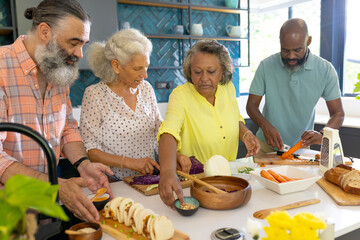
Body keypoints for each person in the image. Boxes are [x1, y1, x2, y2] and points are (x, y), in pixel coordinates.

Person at [0, 0, 114, 223]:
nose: (80, 54)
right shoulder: (2, 68)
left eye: (83, 44)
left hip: (45, 211)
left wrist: (83, 164)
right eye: (74, 42)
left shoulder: (58, 71)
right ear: (44, 31)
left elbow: (67, 128)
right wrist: (56, 186)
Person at [157, 40, 260, 208]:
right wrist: (167, 172)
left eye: (211, 71)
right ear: (190, 72)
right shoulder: (180, 95)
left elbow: (235, 118)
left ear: (222, 72)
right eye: (197, 72)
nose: (204, 78)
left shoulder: (228, 89)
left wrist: (246, 134)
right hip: (198, 185)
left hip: (230, 182)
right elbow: (168, 133)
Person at [246, 18, 344, 154]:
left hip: (301, 149)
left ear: (308, 41)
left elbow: (338, 113)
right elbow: (251, 105)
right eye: (285, 50)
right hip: (264, 145)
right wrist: (265, 126)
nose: (291, 56)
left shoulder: (326, 70)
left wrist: (323, 135)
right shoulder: (266, 66)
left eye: (297, 50)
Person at [80, 28, 161, 180]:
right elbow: (91, 150)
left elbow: (159, 129)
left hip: (148, 179)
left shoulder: (146, 89)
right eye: (137, 68)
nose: (145, 75)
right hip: (114, 181)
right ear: (116, 66)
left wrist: (173, 154)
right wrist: (131, 163)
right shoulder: (95, 95)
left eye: (146, 66)